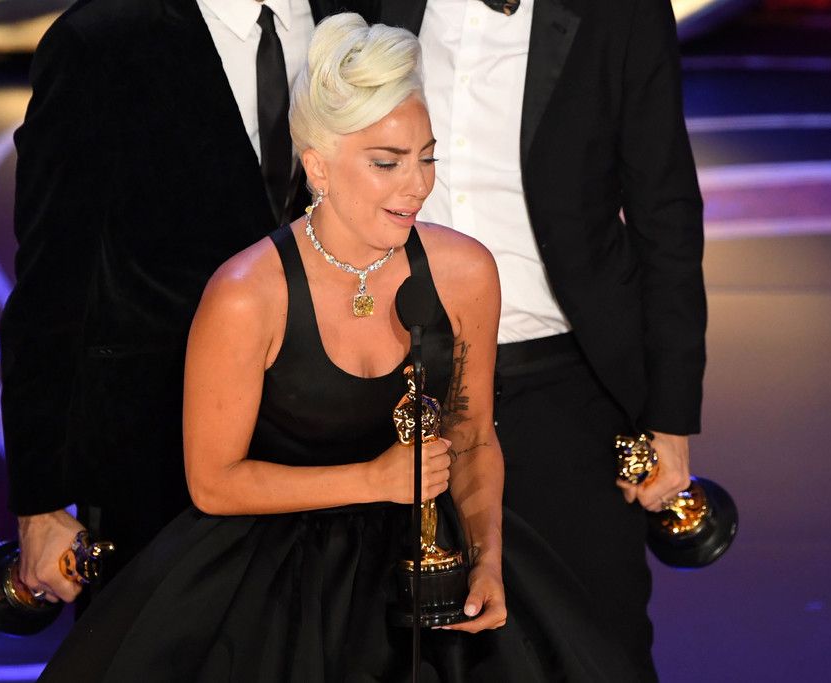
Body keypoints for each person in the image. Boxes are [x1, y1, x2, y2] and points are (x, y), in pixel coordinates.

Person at [36, 14, 638, 681]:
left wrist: (486, 558)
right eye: (387, 162)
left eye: (427, 157)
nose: (417, 185)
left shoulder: (465, 272)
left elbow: (471, 438)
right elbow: (213, 482)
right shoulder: (245, 294)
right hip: (272, 582)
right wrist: (373, 480)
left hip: (426, 563)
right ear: (318, 167)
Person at [368, 1, 708, 679]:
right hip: (398, 382)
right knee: (412, 652)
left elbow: (664, 207)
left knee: (594, 647)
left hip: (566, 381)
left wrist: (670, 416)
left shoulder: (621, 13)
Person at [0, 0, 346, 605]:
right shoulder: (101, 40)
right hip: (156, 468)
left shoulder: (354, 15)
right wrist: (40, 502)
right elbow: (52, 279)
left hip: (332, 466)